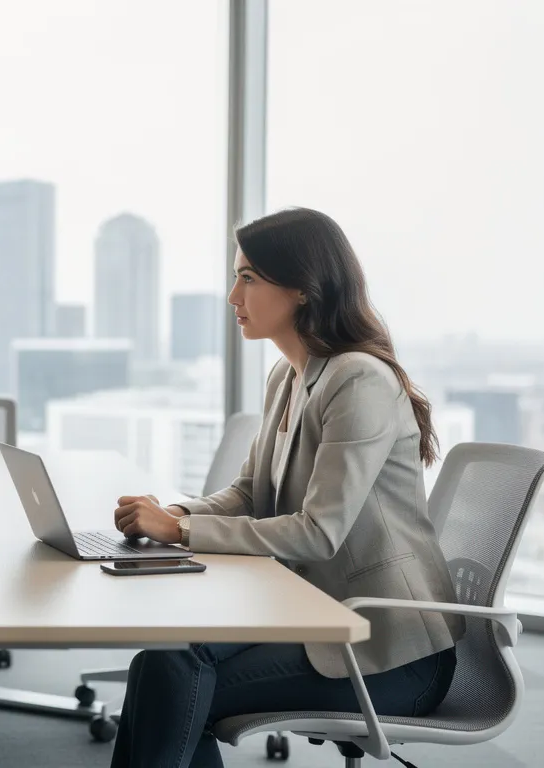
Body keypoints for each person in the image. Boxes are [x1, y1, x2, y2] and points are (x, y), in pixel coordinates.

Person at [109, 208, 464, 768]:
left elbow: (319, 533)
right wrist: (172, 510)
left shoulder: (359, 380)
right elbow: (249, 493)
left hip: (387, 654)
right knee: (162, 663)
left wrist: (178, 530)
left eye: (248, 278)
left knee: (175, 684)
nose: (232, 296)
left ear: (301, 288)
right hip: (312, 616)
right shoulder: (289, 375)